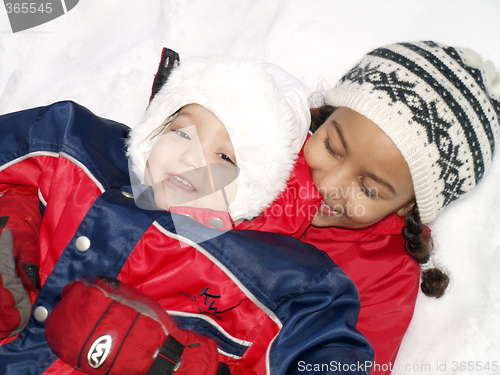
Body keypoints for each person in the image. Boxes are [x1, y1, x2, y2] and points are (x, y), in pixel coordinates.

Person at [0, 52, 373, 375]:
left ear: (260, 184)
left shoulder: (281, 279)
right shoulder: (75, 149)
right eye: (181, 133)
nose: (192, 157)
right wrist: (11, 224)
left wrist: (177, 363)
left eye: (225, 157)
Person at [237, 40, 500, 374]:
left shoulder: (386, 276)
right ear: (328, 115)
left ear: (408, 205)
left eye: (368, 188)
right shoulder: (266, 151)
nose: (330, 186)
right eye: (332, 147)